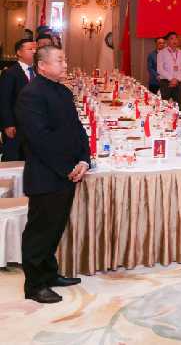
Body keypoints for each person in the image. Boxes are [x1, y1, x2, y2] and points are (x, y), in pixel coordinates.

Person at [16, 45, 89, 303]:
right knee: (40, 232)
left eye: (64, 59)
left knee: (55, 228)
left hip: (67, 172)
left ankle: (49, 274)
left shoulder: (63, 91)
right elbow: (40, 140)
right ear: (42, 66)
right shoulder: (31, 95)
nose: (65, 64)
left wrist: (84, 159)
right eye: (60, 60)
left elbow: (77, 129)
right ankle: (34, 286)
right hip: (46, 175)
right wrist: (67, 168)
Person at [0, 38, 36, 161]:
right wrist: (8, 124)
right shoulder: (10, 73)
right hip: (16, 124)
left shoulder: (37, 71)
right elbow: (4, 100)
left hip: (33, 123)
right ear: (19, 52)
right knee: (14, 157)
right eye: (30, 49)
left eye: (35, 49)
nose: (34, 51)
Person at [157, 31, 181, 105]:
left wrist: (177, 79)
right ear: (167, 41)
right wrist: (171, 79)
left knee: (178, 105)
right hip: (166, 82)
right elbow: (160, 69)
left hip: (179, 83)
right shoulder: (161, 53)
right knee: (165, 105)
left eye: (176, 38)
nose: (174, 40)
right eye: (172, 38)